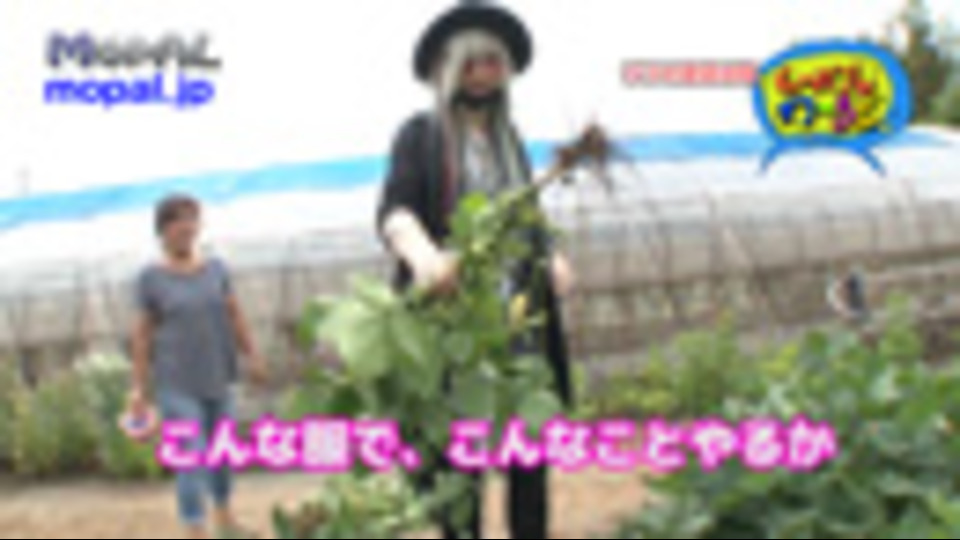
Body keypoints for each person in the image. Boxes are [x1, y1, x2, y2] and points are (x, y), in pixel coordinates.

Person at [376, 1, 575, 537]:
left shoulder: (511, 142)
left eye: (492, 62)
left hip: (516, 329)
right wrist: (425, 258)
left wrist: (550, 254)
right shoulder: (420, 135)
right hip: (453, 331)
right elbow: (395, 211)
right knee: (457, 471)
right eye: (470, 62)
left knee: (528, 454)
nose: (482, 74)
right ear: (446, 70)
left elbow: (527, 214)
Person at [123, 193, 266, 539]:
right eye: (178, 220)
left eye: (192, 219)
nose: (187, 227)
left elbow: (234, 314)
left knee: (222, 455)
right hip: (177, 383)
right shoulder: (151, 278)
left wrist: (252, 354)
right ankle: (195, 528)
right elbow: (142, 336)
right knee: (191, 458)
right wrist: (138, 388)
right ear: (162, 230)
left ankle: (225, 518)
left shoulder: (216, 269)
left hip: (219, 377)